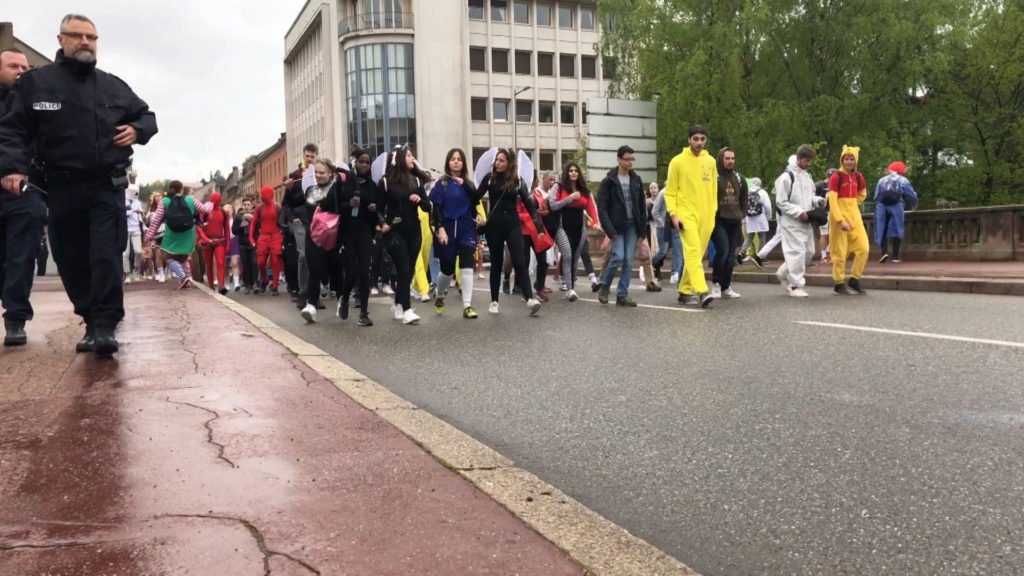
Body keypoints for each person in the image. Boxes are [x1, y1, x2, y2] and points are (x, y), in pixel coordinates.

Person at [0, 14, 158, 355]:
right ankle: (89, 317)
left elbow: (146, 116)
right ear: (61, 40)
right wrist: (12, 168)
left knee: (104, 254)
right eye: (77, 36)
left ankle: (104, 326)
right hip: (60, 188)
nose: (85, 42)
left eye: (91, 37)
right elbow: (12, 130)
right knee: (71, 257)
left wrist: (137, 130)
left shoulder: (113, 85)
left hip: (105, 186)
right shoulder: (35, 85)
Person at [0, 48, 42, 346]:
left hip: (23, 191)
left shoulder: (34, 104)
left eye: (25, 67)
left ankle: (15, 317)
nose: (21, 71)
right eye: (13, 66)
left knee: (21, 256)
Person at [478, 149, 544, 316]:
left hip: (513, 225)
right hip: (494, 226)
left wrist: (538, 225)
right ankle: (494, 301)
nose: (498, 163)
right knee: (497, 263)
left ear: (509, 163)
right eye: (497, 160)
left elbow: (529, 203)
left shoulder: (517, 181)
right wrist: (477, 215)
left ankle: (530, 299)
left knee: (520, 260)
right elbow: (474, 197)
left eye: (501, 161)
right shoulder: (489, 179)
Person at [378, 146, 432, 325]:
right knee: (404, 268)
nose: (412, 158)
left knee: (407, 271)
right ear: (399, 158)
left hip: (414, 230)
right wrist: (382, 223)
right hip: (394, 231)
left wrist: (420, 200)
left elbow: (427, 206)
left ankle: (399, 304)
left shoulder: (416, 181)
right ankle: (408, 310)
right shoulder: (385, 182)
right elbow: (377, 208)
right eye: (409, 155)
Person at [429, 148, 484, 318]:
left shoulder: (469, 184)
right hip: (447, 229)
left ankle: (467, 306)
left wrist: (479, 215)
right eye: (453, 159)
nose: (456, 161)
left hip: (466, 227)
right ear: (448, 163)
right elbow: (435, 210)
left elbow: (474, 206)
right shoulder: (441, 184)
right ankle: (439, 294)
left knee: (467, 266)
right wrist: (440, 229)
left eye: (459, 159)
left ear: (463, 163)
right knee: (447, 269)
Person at [664, 125, 716, 308]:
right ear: (689, 140)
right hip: (686, 214)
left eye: (702, 139)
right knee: (693, 252)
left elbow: (713, 190)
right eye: (695, 139)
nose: (699, 142)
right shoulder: (677, 162)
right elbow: (669, 192)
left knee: (696, 255)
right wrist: (674, 214)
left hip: (707, 216)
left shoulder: (710, 161)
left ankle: (685, 291)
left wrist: (713, 212)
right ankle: (702, 291)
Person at [595, 146, 648, 307]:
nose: (630, 162)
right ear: (619, 159)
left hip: (633, 225)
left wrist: (642, 230)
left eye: (632, 159)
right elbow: (602, 208)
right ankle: (604, 286)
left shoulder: (636, 179)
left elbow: (641, 205)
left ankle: (622, 294)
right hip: (616, 226)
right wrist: (609, 230)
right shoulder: (608, 181)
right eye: (627, 159)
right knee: (618, 256)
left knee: (629, 261)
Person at [335, 148, 379, 326]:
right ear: (355, 162)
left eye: (367, 162)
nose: (364, 165)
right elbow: (337, 206)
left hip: (365, 232)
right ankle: (344, 298)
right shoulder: (345, 182)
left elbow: (376, 210)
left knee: (364, 272)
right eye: (361, 161)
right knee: (351, 273)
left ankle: (364, 313)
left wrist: (372, 210)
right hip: (348, 231)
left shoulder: (372, 185)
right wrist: (348, 204)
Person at [774, 145, 824, 298]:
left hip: (806, 220)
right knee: (797, 252)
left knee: (808, 252)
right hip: (791, 222)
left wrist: (817, 201)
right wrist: (798, 212)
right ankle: (795, 285)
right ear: (798, 158)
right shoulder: (786, 177)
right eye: (806, 160)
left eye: (810, 160)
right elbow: (781, 202)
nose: (808, 163)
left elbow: (809, 197)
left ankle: (783, 272)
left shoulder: (807, 176)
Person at [144, 180, 212, 290]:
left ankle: (183, 277)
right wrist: (210, 203)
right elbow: (205, 210)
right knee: (183, 257)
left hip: (172, 232)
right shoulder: (190, 199)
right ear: (181, 189)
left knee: (167, 255)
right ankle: (187, 278)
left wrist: (149, 236)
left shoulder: (164, 201)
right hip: (188, 233)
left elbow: (156, 220)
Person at [298, 158, 341, 323]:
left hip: (333, 235)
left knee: (335, 271)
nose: (318, 175)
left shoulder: (338, 188)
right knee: (314, 270)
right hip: (314, 235)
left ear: (330, 173)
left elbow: (338, 207)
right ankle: (311, 306)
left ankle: (341, 300)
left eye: (322, 172)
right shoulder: (310, 190)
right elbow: (308, 206)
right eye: (316, 172)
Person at [548, 162, 598, 302]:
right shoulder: (558, 186)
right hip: (562, 227)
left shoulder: (584, 190)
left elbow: (592, 208)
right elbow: (552, 205)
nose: (573, 173)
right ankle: (568, 288)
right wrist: (570, 198)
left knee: (575, 258)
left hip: (579, 228)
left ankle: (572, 287)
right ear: (566, 172)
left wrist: (595, 223)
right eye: (570, 170)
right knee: (568, 255)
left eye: (576, 170)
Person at [828, 145, 869, 295]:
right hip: (839, 217)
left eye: (852, 159)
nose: (849, 162)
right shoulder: (836, 177)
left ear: (855, 161)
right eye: (846, 158)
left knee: (863, 248)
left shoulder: (858, 176)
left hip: (854, 216)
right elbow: (832, 201)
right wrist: (839, 220)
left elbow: (862, 193)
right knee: (840, 252)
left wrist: (853, 203)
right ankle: (839, 282)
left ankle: (854, 278)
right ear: (842, 160)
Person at [709, 147, 748, 299]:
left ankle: (726, 286)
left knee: (731, 255)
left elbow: (744, 198)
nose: (730, 161)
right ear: (721, 159)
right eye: (727, 158)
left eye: (732, 158)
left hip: (735, 221)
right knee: (723, 251)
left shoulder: (739, 177)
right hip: (719, 221)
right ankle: (716, 284)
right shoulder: (714, 177)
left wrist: (741, 214)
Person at [874, 161, 918, 263]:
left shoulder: (881, 180)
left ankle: (884, 252)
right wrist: (914, 204)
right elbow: (910, 194)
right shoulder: (903, 180)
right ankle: (895, 256)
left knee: (882, 229)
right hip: (896, 205)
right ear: (901, 170)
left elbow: (876, 196)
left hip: (881, 206)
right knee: (897, 228)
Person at [250, 186, 284, 295]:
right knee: (260, 262)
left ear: (269, 195)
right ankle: (264, 280)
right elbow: (253, 224)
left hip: (275, 235)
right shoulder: (259, 208)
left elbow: (283, 222)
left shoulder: (278, 207)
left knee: (275, 261)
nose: (261, 197)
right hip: (263, 236)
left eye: (263, 195)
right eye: (261, 195)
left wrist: (282, 236)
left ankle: (274, 285)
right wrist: (251, 238)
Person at [196, 191, 231, 294]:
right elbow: (199, 226)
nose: (215, 202)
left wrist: (228, 243)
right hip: (207, 241)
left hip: (219, 240)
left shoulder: (224, 213)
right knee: (209, 264)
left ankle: (221, 285)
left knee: (220, 263)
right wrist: (202, 238)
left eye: (217, 200)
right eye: (213, 200)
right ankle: (211, 286)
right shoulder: (204, 212)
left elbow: (227, 229)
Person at [738, 177, 771, 262]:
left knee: (749, 237)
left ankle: (741, 252)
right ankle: (760, 256)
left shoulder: (747, 192)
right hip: (760, 217)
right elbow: (767, 205)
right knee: (762, 236)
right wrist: (768, 216)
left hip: (749, 218)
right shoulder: (762, 192)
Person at [232, 197, 258, 293]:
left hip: (253, 243)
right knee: (245, 265)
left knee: (254, 263)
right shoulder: (238, 217)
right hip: (243, 244)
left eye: (248, 205)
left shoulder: (255, 215)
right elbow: (234, 231)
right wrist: (240, 226)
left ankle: (255, 283)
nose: (246, 207)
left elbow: (259, 228)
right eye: (245, 205)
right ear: (242, 206)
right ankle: (247, 285)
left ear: (251, 206)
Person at [122, 173, 144, 284]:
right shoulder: (122, 201)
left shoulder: (137, 203)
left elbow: (140, 215)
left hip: (136, 229)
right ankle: (127, 274)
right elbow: (121, 214)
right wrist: (132, 211)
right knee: (125, 254)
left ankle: (136, 269)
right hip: (125, 229)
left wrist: (143, 224)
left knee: (138, 251)